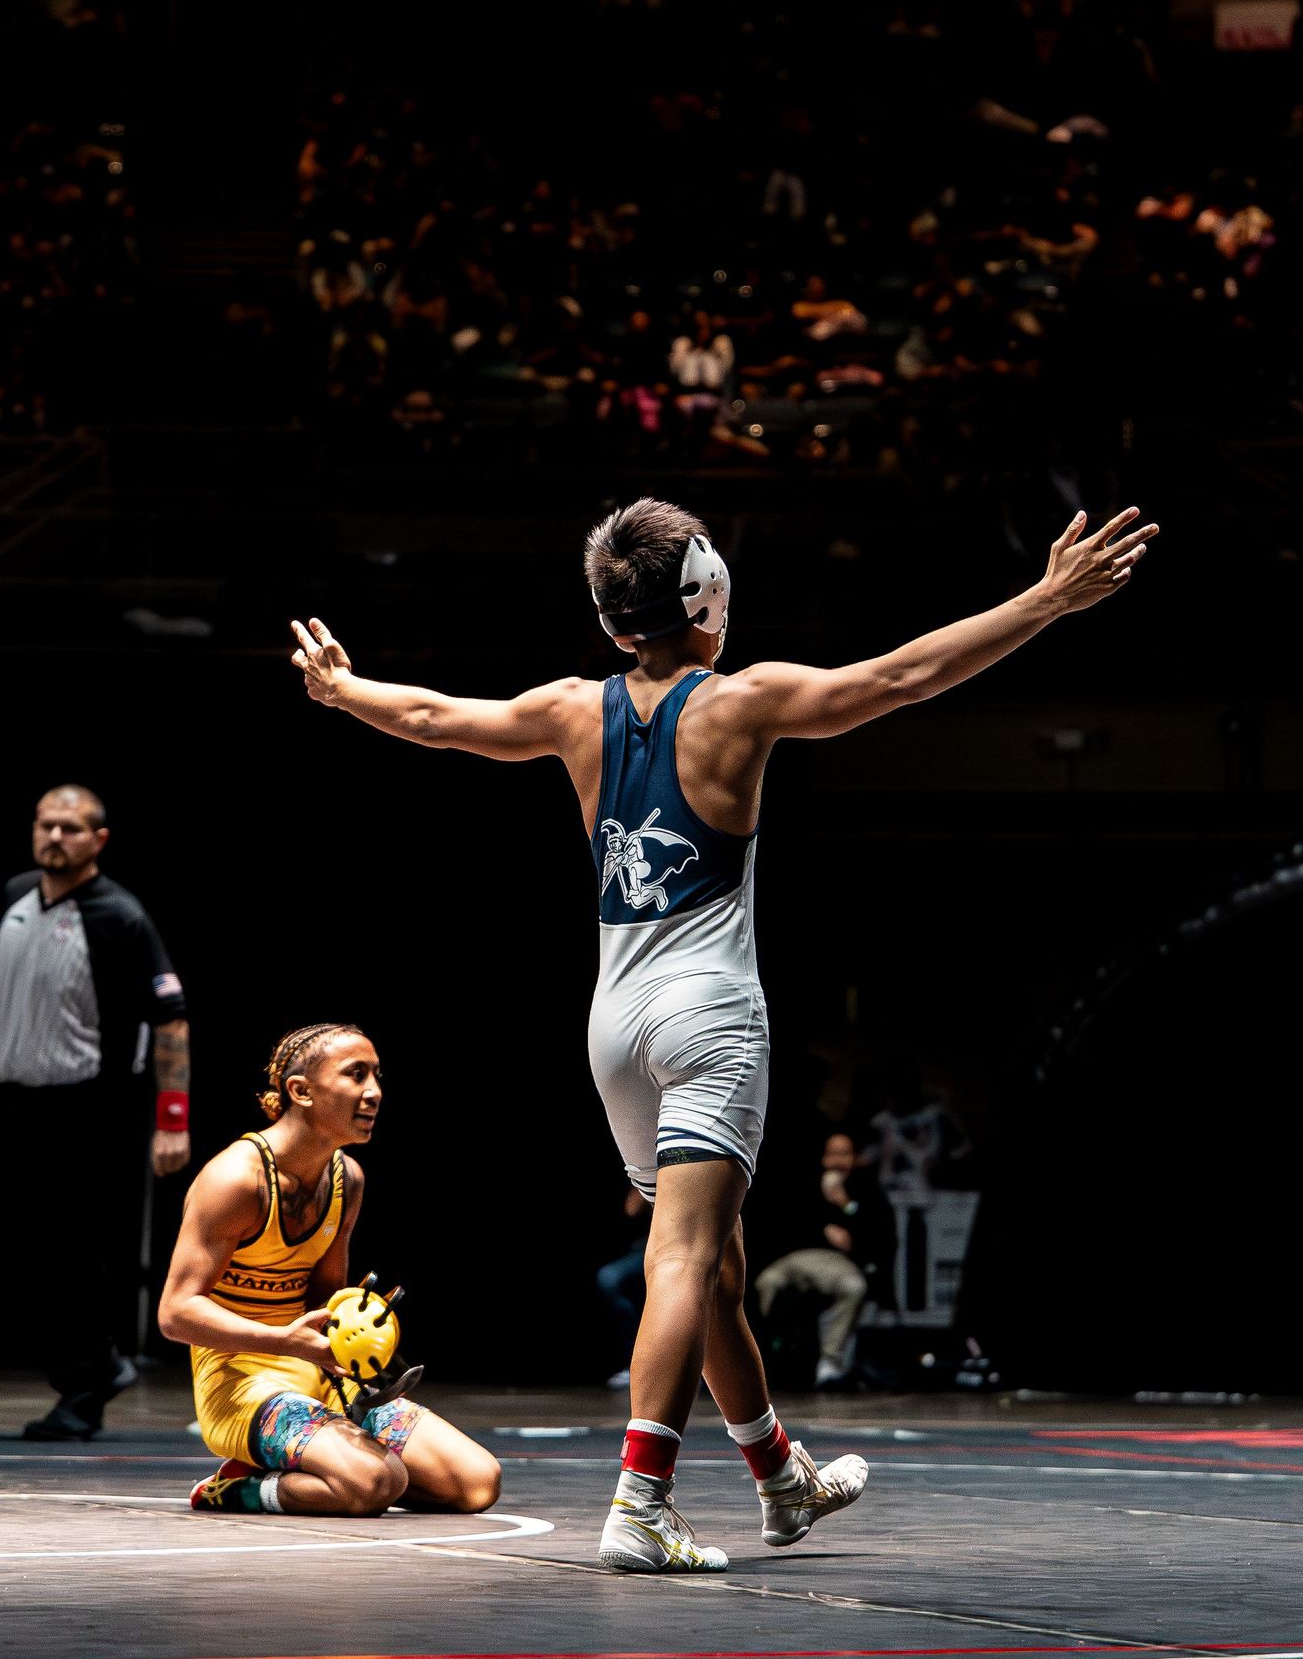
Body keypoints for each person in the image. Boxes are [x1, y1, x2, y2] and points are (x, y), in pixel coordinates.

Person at [289, 492, 1158, 1571]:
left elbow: (429, 717)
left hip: (615, 1027)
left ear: (614, 624)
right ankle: (641, 1505)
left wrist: (339, 688)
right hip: (707, 1016)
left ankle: (778, 1478)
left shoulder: (571, 708)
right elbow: (898, 678)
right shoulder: (743, 703)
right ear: (707, 596)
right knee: (685, 1261)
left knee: (719, 1274)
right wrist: (1046, 600)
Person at [159, 1023, 501, 1518]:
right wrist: (284, 1342)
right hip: (241, 1383)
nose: (375, 1092)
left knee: (475, 1484)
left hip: (317, 1374)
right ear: (301, 1091)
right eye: (356, 1075)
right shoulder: (235, 1180)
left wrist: (358, 1338)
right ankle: (234, 1488)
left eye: (377, 1076)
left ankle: (334, 1469)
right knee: (375, 1482)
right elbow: (175, 1313)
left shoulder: (347, 1180)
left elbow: (324, 1297)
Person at [0, 784, 192, 1441]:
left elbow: (170, 1020)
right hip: (19, 1098)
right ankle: (89, 1370)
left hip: (88, 1106)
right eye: (45, 824)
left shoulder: (119, 914)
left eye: (70, 828)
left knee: (77, 1255)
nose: (55, 837)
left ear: (98, 839)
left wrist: (173, 1117)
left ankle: (92, 1375)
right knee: (32, 1253)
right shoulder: (16, 894)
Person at [754, 1131, 895, 1390]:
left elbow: (878, 1235)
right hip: (797, 1259)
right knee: (767, 1282)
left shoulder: (864, 1189)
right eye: (833, 1154)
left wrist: (845, 1205)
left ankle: (831, 1363)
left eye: (845, 1154)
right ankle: (767, 1359)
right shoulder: (806, 1182)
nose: (838, 1161)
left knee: (854, 1287)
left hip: (836, 1263)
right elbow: (786, 1224)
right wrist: (822, 1229)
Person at [596, 1185, 652, 1389]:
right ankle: (637, 1364)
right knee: (610, 1277)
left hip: (684, 1247)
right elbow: (632, 1209)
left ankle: (691, 1367)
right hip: (648, 1247)